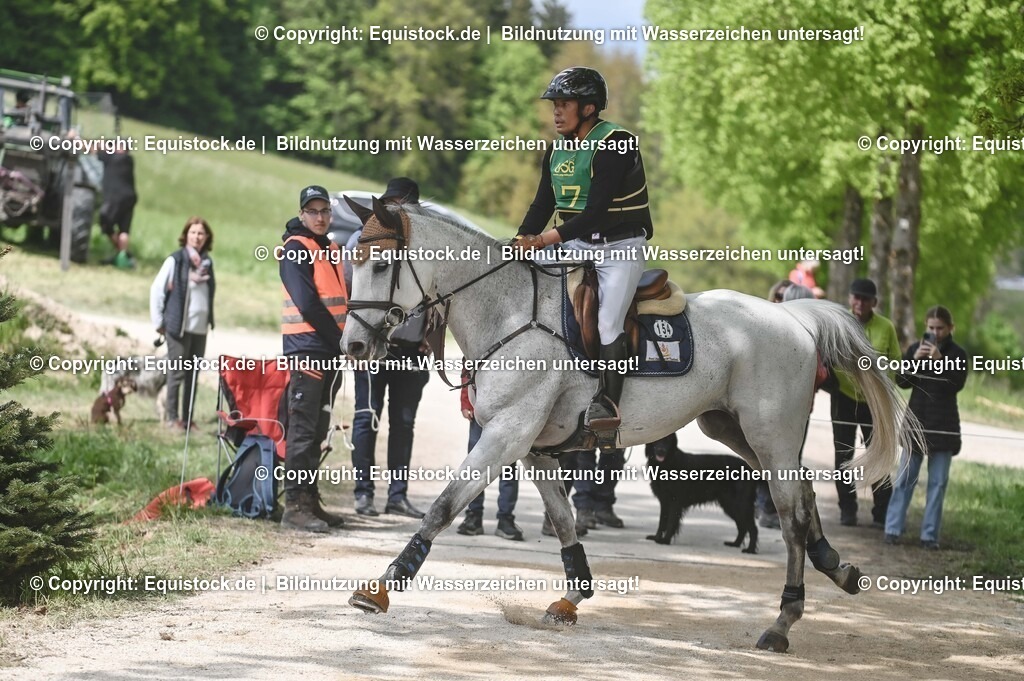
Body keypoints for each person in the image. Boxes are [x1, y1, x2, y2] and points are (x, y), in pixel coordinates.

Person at [512, 67, 653, 434]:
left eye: (564, 104)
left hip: (619, 247)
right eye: (554, 105)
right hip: (576, 244)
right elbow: (542, 206)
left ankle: (608, 403)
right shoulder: (557, 150)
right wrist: (521, 238)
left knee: (608, 321)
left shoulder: (615, 144)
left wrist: (542, 241)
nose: (556, 112)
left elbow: (596, 214)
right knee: (519, 281)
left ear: (589, 108)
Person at [344, 178, 429, 519]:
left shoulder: (423, 246)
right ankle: (363, 494)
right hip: (375, 348)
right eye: (396, 205)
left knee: (404, 424)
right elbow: (351, 295)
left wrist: (430, 335)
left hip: (412, 349)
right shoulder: (364, 238)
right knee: (367, 418)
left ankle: (398, 495)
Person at [279, 185, 348, 532]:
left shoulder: (331, 248)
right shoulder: (295, 250)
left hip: (329, 351)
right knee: (303, 431)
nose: (320, 217)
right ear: (302, 214)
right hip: (308, 349)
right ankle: (294, 506)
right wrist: (340, 340)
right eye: (313, 211)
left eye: (325, 211)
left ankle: (309, 500)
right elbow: (307, 305)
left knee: (318, 429)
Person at [885, 306, 967, 550]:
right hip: (916, 423)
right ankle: (892, 529)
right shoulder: (914, 349)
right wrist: (914, 361)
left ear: (950, 328)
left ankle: (929, 536)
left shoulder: (958, 354)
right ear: (925, 326)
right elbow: (902, 382)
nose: (935, 333)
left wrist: (941, 362)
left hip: (944, 425)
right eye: (931, 328)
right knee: (904, 479)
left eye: (940, 328)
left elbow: (956, 384)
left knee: (938, 483)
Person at [831, 278, 901, 527]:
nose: (859, 302)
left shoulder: (886, 327)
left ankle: (881, 512)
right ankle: (847, 510)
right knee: (843, 455)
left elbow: (894, 362)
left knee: (878, 454)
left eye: (864, 299)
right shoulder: (839, 322)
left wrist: (885, 395)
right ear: (850, 299)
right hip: (844, 398)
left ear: (875, 302)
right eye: (855, 297)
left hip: (875, 402)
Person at [150, 217, 214, 432]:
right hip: (178, 326)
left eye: (201, 233)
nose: (197, 237)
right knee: (176, 373)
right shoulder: (175, 260)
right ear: (186, 235)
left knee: (193, 375)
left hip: (199, 328)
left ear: (206, 237)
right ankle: (172, 418)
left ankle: (187, 419)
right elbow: (157, 290)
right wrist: (158, 321)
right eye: (193, 232)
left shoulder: (207, 263)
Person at [455, 376, 524, 540]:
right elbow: (469, 363)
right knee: (475, 465)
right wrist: (466, 400)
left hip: (509, 409)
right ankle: (473, 515)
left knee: (508, 465)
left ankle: (506, 518)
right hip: (480, 406)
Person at [97, 142, 138, 269]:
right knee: (124, 230)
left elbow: (92, 148)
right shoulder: (129, 160)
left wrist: (75, 137)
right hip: (130, 198)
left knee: (105, 221)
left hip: (115, 198)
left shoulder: (111, 158)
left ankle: (122, 255)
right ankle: (123, 257)